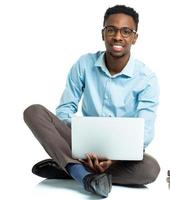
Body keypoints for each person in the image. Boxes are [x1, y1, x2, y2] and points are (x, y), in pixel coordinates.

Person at [23, 5, 160, 198]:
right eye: (111, 30)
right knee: (33, 111)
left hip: (120, 156)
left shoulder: (147, 78)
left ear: (134, 37)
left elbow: (145, 131)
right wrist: (81, 140)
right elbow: (65, 110)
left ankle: (69, 168)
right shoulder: (84, 64)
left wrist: (113, 159)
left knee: (150, 169)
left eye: (126, 31)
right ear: (103, 34)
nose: (118, 37)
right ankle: (83, 174)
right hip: (81, 144)